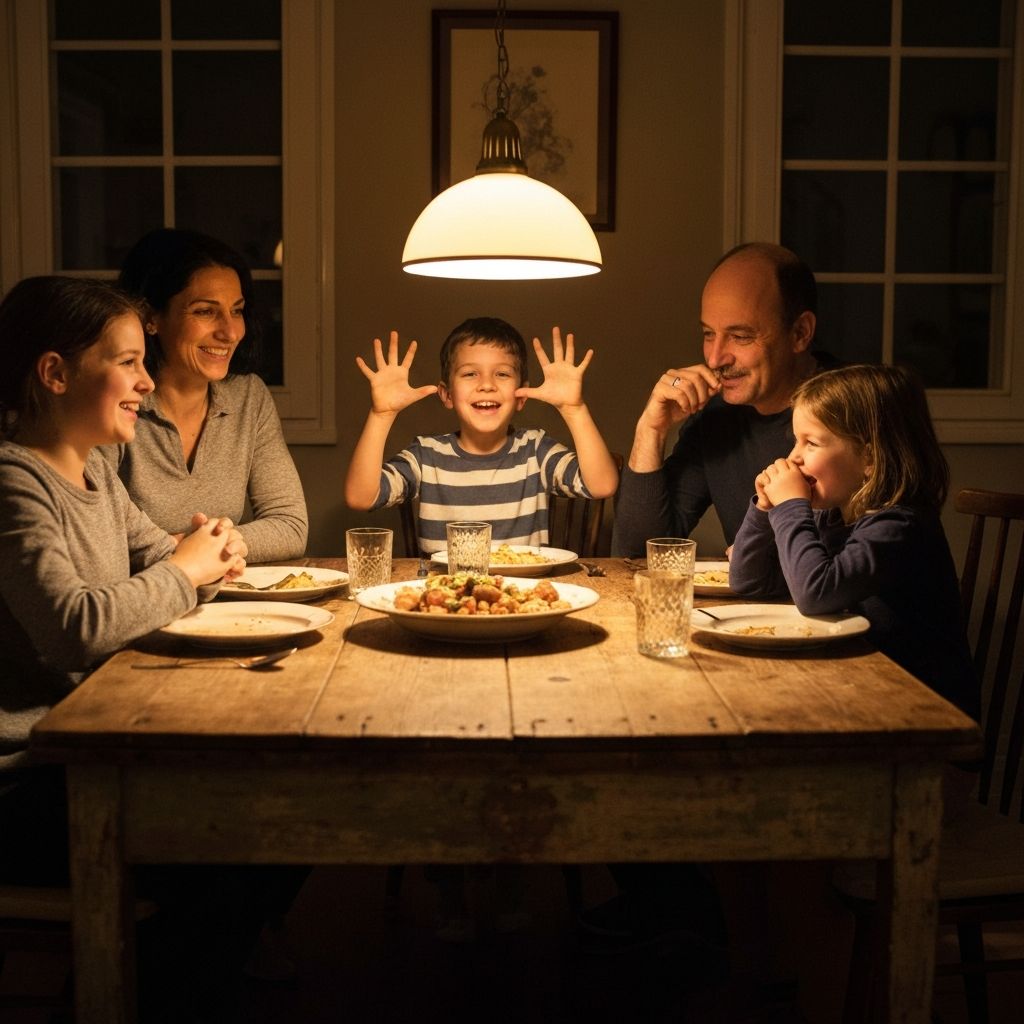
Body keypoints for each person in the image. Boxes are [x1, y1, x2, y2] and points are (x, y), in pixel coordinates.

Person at [0, 275, 277, 1019]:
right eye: (127, 362)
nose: (147, 381)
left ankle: (180, 978)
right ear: (55, 373)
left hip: (85, 749)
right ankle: (141, 989)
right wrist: (187, 570)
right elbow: (76, 625)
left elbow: (165, 561)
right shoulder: (13, 483)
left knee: (269, 814)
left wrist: (208, 559)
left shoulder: (94, 471)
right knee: (238, 836)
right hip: (26, 777)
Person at [729, 363, 979, 720]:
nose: (793, 457)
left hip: (929, 723)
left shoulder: (899, 527)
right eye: (796, 441)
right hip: (862, 696)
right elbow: (749, 582)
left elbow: (815, 593)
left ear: (869, 458)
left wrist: (789, 508)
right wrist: (764, 510)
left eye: (811, 443)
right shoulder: (833, 516)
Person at [612, 242, 841, 557]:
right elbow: (640, 554)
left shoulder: (854, 411)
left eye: (741, 336)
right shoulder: (717, 417)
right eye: (708, 334)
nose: (715, 357)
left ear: (800, 332)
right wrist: (651, 430)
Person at [105, 227, 307, 563]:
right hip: (140, 605)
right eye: (204, 311)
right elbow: (97, 535)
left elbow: (290, 525)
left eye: (237, 310)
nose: (229, 331)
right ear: (151, 318)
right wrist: (189, 553)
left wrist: (222, 544)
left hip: (224, 602)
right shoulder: (115, 400)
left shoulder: (248, 397)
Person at [345, 317, 619, 554]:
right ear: (447, 394)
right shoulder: (426, 456)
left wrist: (574, 409)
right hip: (444, 599)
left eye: (502, 374)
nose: (486, 385)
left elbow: (602, 485)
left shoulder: (535, 451)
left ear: (521, 396)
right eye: (470, 374)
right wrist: (381, 416)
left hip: (524, 598)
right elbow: (361, 497)